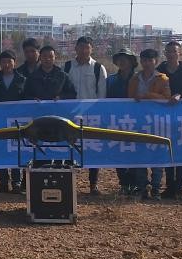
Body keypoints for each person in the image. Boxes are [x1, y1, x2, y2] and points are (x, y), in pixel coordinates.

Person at [65, 36, 108, 195]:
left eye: (87, 47)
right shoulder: (67, 66)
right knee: (70, 148)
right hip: (71, 115)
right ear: (75, 48)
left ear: (91, 49)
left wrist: (98, 112)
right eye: (81, 47)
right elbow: (64, 89)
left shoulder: (98, 68)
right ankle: (68, 182)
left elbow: (102, 95)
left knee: (93, 149)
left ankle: (93, 184)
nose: (83, 50)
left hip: (92, 116)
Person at [129, 48, 172, 199]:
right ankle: (142, 187)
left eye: (150, 60)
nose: (146, 63)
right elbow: (129, 99)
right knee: (140, 154)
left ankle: (156, 187)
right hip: (139, 122)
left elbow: (166, 98)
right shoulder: (134, 79)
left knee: (157, 155)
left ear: (156, 61)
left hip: (157, 122)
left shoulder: (163, 79)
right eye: (144, 60)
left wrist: (147, 95)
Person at [153, 41, 182, 199]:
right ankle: (169, 186)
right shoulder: (159, 71)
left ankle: (180, 187)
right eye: (168, 51)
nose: (171, 54)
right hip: (164, 116)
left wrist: (181, 95)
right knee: (167, 148)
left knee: (181, 150)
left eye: (174, 51)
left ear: (179, 53)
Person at [0, 49, 27, 193]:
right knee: (1, 150)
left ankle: (17, 182)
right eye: (3, 62)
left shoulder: (22, 79)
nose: (6, 65)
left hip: (17, 121)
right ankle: (3, 181)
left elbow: (26, 97)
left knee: (15, 150)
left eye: (9, 62)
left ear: (14, 63)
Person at [106, 49, 139, 196]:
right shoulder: (111, 80)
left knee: (134, 151)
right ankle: (124, 183)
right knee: (118, 151)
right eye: (120, 58)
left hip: (135, 120)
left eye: (126, 58)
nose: (122, 61)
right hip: (116, 121)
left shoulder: (139, 78)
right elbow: (105, 100)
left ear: (132, 61)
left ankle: (134, 183)